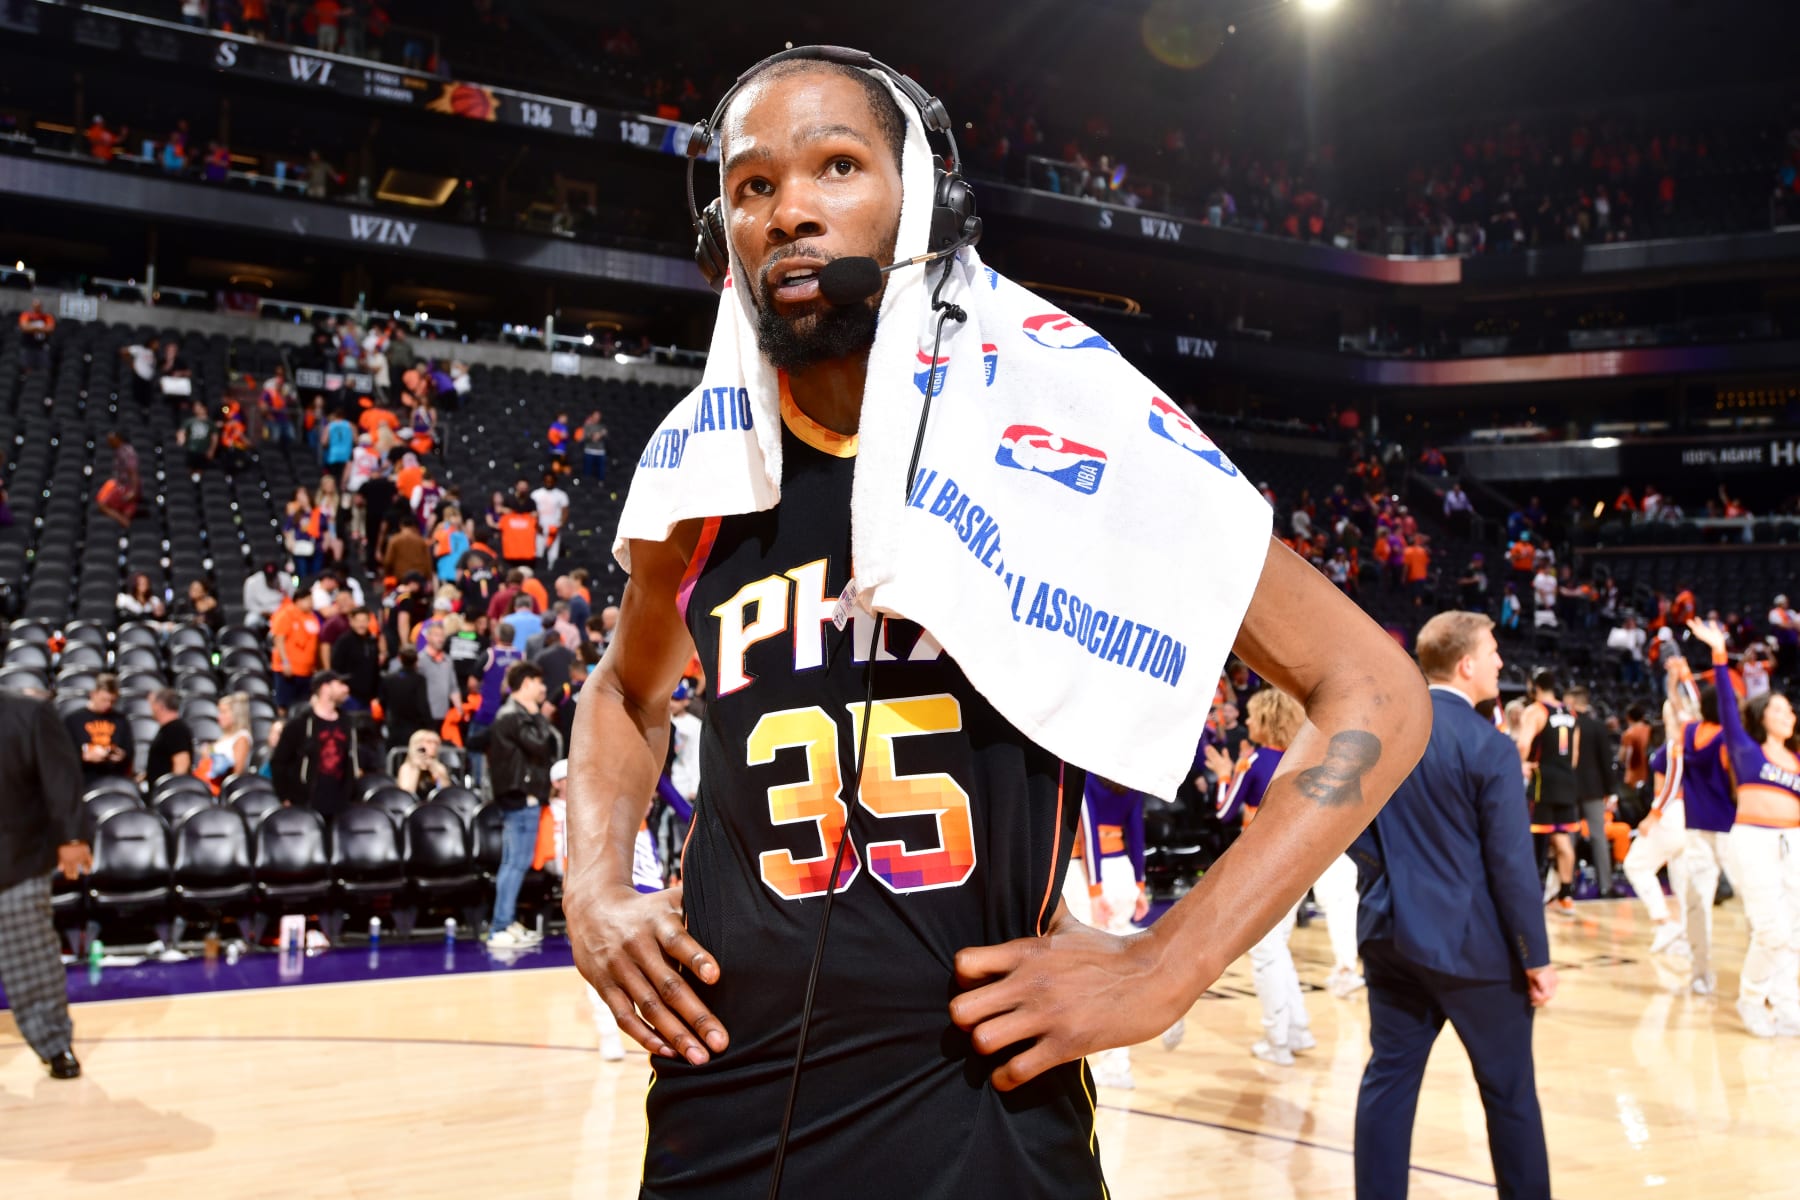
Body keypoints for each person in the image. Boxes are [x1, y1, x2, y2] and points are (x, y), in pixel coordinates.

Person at [561, 51, 1429, 1200]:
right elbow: (623, 695)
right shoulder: (705, 472)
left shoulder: (1062, 437)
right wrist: (592, 888)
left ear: (923, 197)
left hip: (980, 1122)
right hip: (717, 1116)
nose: (792, 210)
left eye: (836, 165)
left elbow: (1375, 690)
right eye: (754, 185)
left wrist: (1170, 963)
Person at [1351, 611, 1555, 1200]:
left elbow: (1341, 825)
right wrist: (1535, 958)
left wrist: (1384, 876)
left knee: (1387, 1085)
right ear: (1466, 665)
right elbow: (1513, 867)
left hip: (1389, 934)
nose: (1499, 662)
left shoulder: (1384, 730)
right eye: (1492, 652)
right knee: (1510, 1094)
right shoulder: (1489, 747)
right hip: (1472, 951)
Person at [1688, 618, 1800, 1037]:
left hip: (1793, 842)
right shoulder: (1746, 750)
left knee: (1795, 932)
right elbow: (1729, 710)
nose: (1787, 713)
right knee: (1770, 930)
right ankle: (1751, 998)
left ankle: (1789, 1005)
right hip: (1754, 841)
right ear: (1762, 716)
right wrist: (1720, 652)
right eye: (1778, 707)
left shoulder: (1796, 761)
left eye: (1789, 708)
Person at [1210, 686, 1317, 1065]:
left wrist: (1226, 774)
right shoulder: (1300, 760)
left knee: (1265, 953)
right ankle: (1298, 1030)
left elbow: (1225, 811)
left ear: (1267, 720)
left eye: (1254, 716)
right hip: (1300, 862)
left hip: (1265, 865)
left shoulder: (1255, 760)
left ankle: (1277, 1041)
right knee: (1278, 948)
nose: (1248, 722)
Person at [0, 692, 91, 1079]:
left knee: (32, 962)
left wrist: (72, 837)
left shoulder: (28, 714)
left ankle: (55, 1045)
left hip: (15, 858)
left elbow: (60, 775)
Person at [485, 662, 556, 948]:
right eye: (539, 683)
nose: (543, 689)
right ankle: (500, 926)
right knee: (515, 863)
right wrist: (539, 716)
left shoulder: (512, 715)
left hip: (520, 796)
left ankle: (506, 922)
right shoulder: (514, 716)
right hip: (520, 797)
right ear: (526, 683)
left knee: (513, 862)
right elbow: (541, 745)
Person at [1517, 670, 1580, 914]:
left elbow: (1523, 744)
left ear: (1534, 686)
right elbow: (1574, 756)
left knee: (1535, 840)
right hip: (1567, 781)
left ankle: (1528, 897)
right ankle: (1565, 896)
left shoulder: (1536, 710)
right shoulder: (1571, 714)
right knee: (1562, 838)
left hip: (1543, 780)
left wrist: (1521, 764)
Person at [270, 671, 360, 818]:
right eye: (340, 684)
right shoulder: (300, 724)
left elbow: (350, 761)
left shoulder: (347, 723)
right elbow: (279, 762)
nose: (346, 689)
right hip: (306, 803)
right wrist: (285, 797)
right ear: (325, 688)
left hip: (340, 804)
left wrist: (351, 793)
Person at [1565, 687, 1621, 898]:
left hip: (1569, 789)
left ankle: (1566, 885)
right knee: (1599, 838)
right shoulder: (1597, 727)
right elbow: (1606, 762)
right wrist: (1611, 791)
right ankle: (1606, 886)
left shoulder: (1566, 725)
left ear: (1572, 701)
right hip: (1593, 789)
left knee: (1569, 838)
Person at [64, 674, 133, 787]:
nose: (108, 704)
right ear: (93, 694)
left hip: (113, 777)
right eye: (104, 700)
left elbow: (129, 751)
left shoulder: (120, 720)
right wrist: (84, 757)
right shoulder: (73, 720)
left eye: (112, 701)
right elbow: (64, 753)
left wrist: (122, 756)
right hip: (84, 778)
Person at [269, 591, 321, 712]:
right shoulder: (286, 614)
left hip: (307, 671)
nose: (311, 603)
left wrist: (316, 665)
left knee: (304, 705)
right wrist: (285, 662)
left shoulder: (312, 617)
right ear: (298, 600)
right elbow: (279, 639)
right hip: (288, 670)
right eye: (308, 600)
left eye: (311, 600)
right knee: (284, 704)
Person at [380, 647, 436, 752]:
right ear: (416, 660)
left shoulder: (389, 679)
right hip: (414, 729)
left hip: (394, 727)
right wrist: (430, 726)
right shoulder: (419, 680)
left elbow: (383, 701)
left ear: (400, 659)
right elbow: (422, 705)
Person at [144, 688, 196, 785]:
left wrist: (173, 791)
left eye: (152, 704)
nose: (151, 708)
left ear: (160, 706)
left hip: (169, 793)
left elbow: (181, 764)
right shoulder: (169, 728)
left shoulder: (176, 729)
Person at [201, 693, 254, 786]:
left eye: (223, 712)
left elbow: (237, 774)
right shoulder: (224, 736)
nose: (219, 717)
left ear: (236, 714)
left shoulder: (242, 738)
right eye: (219, 712)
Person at [95, 432, 140, 528]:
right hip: (119, 483)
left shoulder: (127, 452)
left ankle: (124, 522)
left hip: (125, 486)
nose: (109, 442)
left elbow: (133, 472)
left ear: (118, 439)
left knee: (102, 505)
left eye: (111, 439)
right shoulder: (119, 450)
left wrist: (133, 491)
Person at [396, 729, 452, 801]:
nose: (433, 746)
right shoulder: (406, 768)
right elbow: (406, 795)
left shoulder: (440, 767)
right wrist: (416, 767)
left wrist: (435, 770)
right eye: (429, 742)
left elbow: (446, 794)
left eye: (436, 743)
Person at [531, 472, 571, 571]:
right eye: (547, 480)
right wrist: (535, 524)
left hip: (554, 529)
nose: (549, 482)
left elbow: (565, 511)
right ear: (543, 481)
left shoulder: (561, 495)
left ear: (555, 481)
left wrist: (560, 524)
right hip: (539, 528)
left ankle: (551, 572)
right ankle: (538, 571)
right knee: (538, 552)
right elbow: (531, 511)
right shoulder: (536, 494)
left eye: (551, 481)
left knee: (553, 555)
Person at [17, 299, 55, 375]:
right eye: (35, 306)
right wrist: (40, 328)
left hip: (42, 347)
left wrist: (32, 327)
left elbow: (50, 329)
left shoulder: (47, 317)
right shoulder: (26, 315)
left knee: (44, 369)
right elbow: (24, 327)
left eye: (38, 306)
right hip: (28, 346)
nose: (37, 308)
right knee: (27, 368)